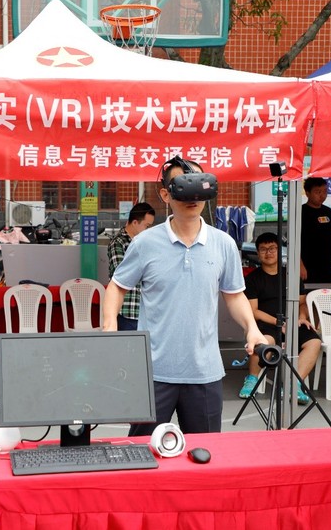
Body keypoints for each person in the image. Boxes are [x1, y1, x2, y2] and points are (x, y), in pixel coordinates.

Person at [102, 157, 267, 435]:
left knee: (204, 452)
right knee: (143, 451)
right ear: (166, 194)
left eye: (198, 186)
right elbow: (117, 286)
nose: (193, 197)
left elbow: (234, 295)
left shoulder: (224, 244)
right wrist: (110, 328)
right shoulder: (144, 243)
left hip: (204, 372)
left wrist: (252, 328)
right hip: (153, 372)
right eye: (183, 187)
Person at [238, 232, 322, 404]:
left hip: (293, 323)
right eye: (263, 249)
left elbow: (302, 303)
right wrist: (278, 322)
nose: (268, 252)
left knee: (314, 342)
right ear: (258, 253)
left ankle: (293, 384)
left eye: (272, 248)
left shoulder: (292, 276)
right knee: (262, 343)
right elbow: (253, 310)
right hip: (267, 324)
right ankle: (252, 379)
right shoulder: (252, 279)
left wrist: (302, 317)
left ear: (279, 251)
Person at [107, 202, 155, 331]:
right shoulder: (118, 242)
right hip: (127, 309)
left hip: (146, 309)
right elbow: (121, 274)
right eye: (147, 226)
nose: (149, 230)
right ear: (135, 223)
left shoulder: (146, 242)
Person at [300, 177, 331, 284]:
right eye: (318, 192)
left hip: (327, 268)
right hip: (306, 268)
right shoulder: (300, 212)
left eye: (324, 191)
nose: (322, 195)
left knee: (327, 293)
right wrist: (300, 265)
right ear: (307, 193)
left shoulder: (328, 212)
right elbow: (293, 242)